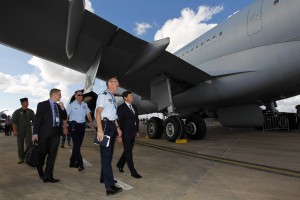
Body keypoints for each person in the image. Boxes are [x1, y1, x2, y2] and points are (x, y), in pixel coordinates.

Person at [32, 88, 68, 183]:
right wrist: (35, 133)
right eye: (59, 94)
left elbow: (64, 117)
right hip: (44, 133)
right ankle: (40, 171)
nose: (61, 96)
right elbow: (37, 119)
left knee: (52, 155)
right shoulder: (42, 104)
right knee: (42, 154)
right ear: (54, 94)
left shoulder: (59, 106)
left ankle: (48, 176)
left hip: (56, 133)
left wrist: (63, 108)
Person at [95, 76, 123, 196]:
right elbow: (98, 112)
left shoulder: (113, 97)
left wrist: (118, 128)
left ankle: (104, 177)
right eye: (115, 82)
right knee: (106, 156)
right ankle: (109, 187)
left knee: (109, 155)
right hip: (105, 127)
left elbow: (113, 115)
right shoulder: (103, 95)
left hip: (112, 126)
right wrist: (100, 130)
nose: (118, 83)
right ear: (109, 83)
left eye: (117, 82)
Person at [116, 90, 142, 179]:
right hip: (125, 133)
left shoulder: (134, 107)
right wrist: (119, 134)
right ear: (125, 98)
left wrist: (137, 131)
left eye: (132, 95)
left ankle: (120, 164)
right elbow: (119, 121)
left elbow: (136, 120)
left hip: (133, 132)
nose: (132, 97)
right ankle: (133, 172)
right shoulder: (121, 108)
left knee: (128, 150)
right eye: (130, 95)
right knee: (129, 152)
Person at [67, 90, 94, 171]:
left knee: (77, 146)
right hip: (73, 126)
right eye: (79, 95)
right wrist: (65, 126)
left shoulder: (85, 104)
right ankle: (80, 164)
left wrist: (91, 123)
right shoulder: (71, 105)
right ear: (75, 96)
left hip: (82, 126)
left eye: (82, 95)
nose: (81, 96)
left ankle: (72, 162)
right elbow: (66, 115)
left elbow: (88, 114)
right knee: (77, 146)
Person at [11, 98, 35, 164]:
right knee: (20, 145)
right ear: (22, 103)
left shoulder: (30, 111)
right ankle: (21, 158)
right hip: (19, 131)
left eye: (27, 102)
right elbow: (14, 122)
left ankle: (28, 158)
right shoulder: (17, 112)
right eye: (25, 102)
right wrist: (14, 130)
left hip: (28, 131)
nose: (27, 103)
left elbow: (34, 121)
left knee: (29, 145)